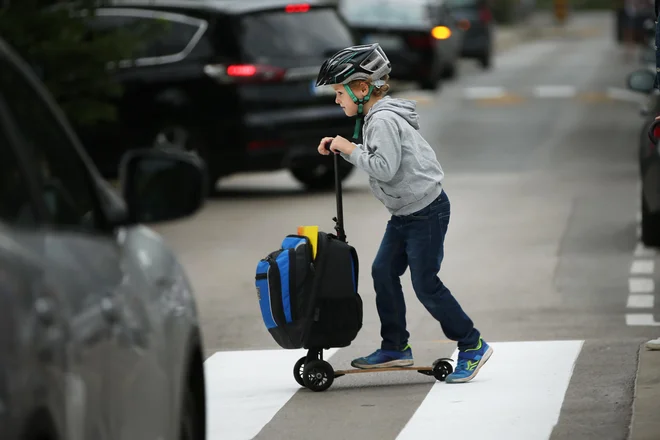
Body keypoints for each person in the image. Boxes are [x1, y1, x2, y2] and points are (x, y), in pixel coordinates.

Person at [315, 43, 492, 383]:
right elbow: (378, 155)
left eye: (340, 92)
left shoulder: (381, 120)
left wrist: (349, 149)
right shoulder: (374, 117)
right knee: (382, 271)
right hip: (405, 213)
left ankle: (472, 344)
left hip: (425, 212)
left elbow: (384, 167)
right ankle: (395, 347)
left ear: (362, 88)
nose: (337, 100)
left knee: (425, 283)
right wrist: (342, 144)